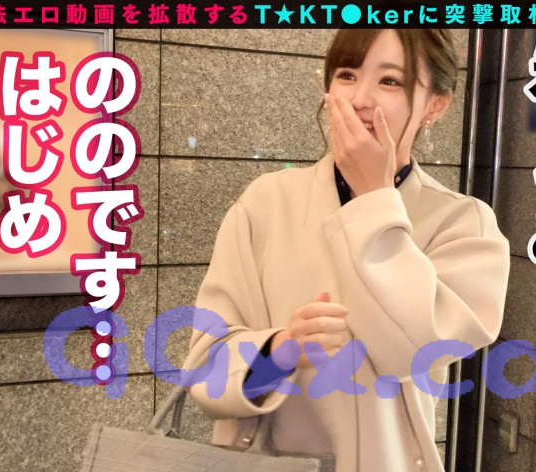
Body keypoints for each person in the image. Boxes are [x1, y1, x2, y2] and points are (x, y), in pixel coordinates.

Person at [182, 29, 511, 471]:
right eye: (347, 75)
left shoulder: (462, 224)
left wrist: (374, 196)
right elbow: (205, 368)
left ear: (435, 104)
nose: (359, 99)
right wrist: (279, 350)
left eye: (389, 81)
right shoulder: (266, 202)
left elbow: (412, 351)